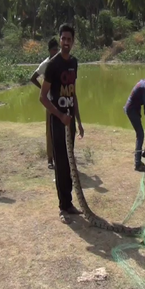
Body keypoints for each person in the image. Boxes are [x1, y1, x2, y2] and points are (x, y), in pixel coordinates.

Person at [39, 24, 85, 223]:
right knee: (61, 163)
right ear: (60, 40)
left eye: (69, 39)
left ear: (73, 41)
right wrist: (59, 115)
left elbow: (73, 93)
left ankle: (69, 203)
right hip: (58, 121)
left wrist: (78, 121)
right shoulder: (53, 65)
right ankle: (63, 207)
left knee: (70, 161)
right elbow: (43, 97)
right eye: (63, 39)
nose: (66, 43)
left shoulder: (74, 63)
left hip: (70, 123)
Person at [30, 38, 60, 170]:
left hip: (61, 101)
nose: (56, 52)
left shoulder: (61, 62)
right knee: (50, 131)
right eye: (53, 50)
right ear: (49, 51)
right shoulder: (46, 64)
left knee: (61, 129)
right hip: (49, 101)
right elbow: (33, 77)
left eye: (57, 49)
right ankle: (50, 159)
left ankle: (60, 156)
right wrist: (43, 89)